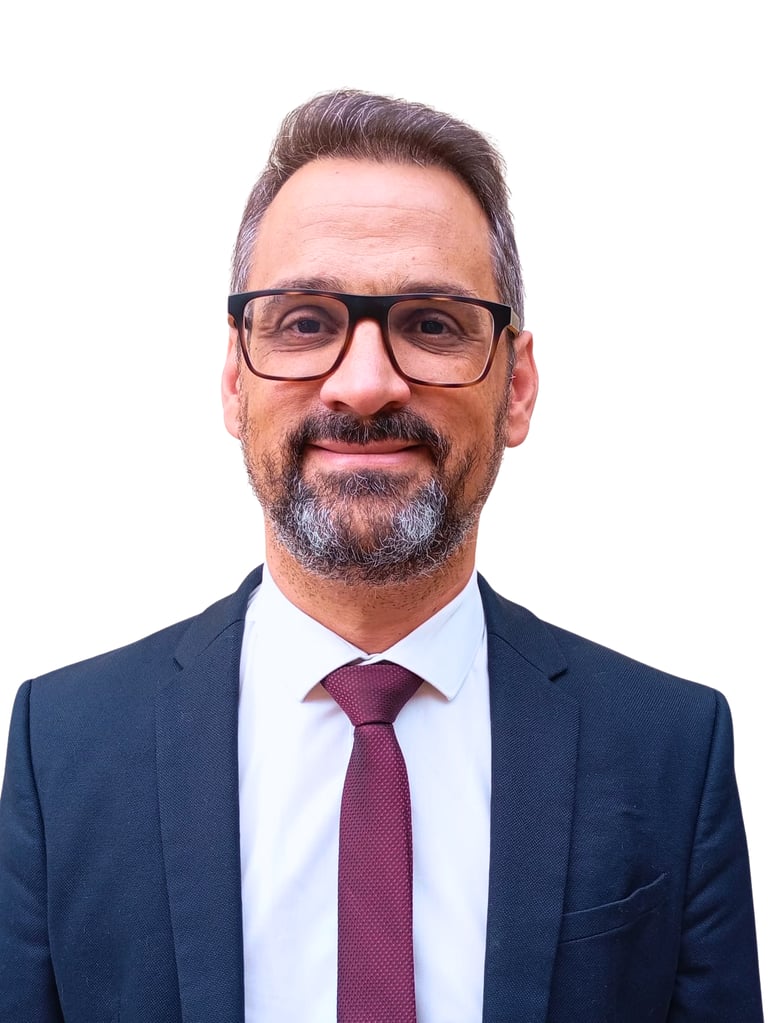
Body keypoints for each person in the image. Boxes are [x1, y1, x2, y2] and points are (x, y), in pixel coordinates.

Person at [0, 89, 762, 1023]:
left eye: (432, 323)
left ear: (517, 387)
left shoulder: (669, 750)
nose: (365, 384)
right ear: (235, 380)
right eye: (305, 322)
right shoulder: (65, 747)